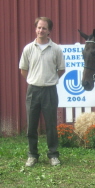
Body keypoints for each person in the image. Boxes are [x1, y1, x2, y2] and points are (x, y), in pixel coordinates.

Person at [19, 17, 65, 166]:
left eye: (44, 28)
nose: (41, 30)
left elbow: (61, 69)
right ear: (35, 29)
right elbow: (23, 70)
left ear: (49, 31)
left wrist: (49, 79)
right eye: (39, 27)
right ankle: (32, 155)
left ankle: (53, 155)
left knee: (51, 125)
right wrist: (35, 80)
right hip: (33, 90)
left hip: (50, 91)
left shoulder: (56, 49)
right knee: (32, 125)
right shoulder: (28, 48)